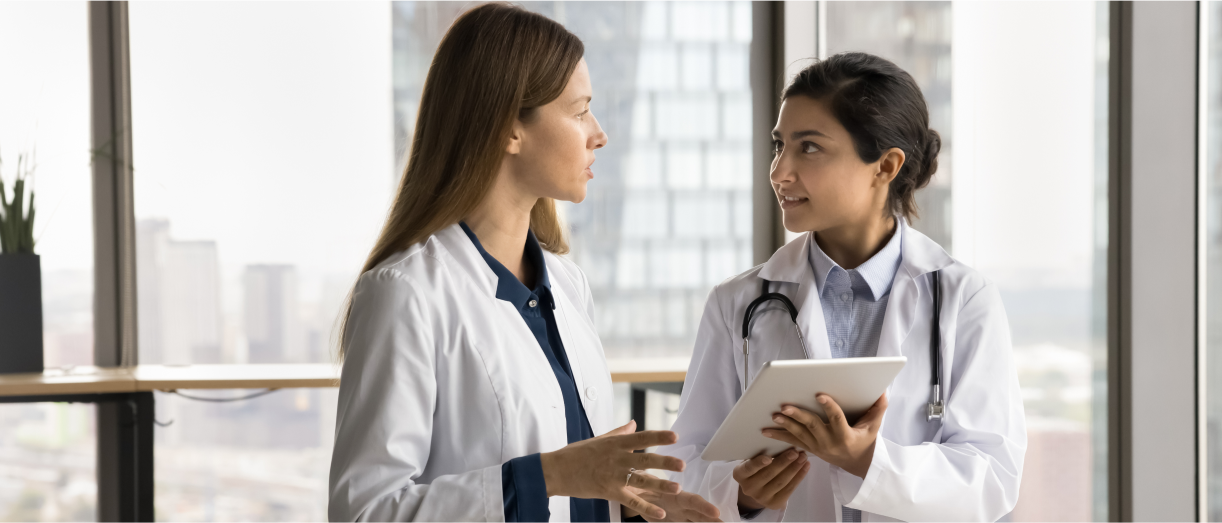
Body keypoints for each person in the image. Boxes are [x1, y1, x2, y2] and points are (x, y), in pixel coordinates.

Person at [328, 4, 720, 523]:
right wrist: (549, 476)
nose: (598, 133)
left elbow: (578, 485)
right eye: (580, 112)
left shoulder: (567, 284)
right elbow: (364, 511)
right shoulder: (406, 292)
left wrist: (635, 507)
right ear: (510, 130)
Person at [661, 52, 1027, 523]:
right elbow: (686, 463)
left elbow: (993, 479)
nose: (780, 172)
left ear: (885, 166)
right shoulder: (738, 302)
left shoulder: (962, 298)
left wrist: (867, 461)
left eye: (809, 148)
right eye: (780, 146)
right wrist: (742, 494)